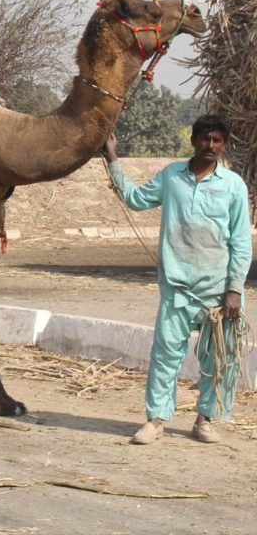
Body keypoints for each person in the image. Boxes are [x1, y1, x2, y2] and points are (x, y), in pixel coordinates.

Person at [102, 114, 252, 445]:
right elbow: (136, 199)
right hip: (177, 289)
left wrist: (234, 290)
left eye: (216, 140)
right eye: (204, 138)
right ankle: (156, 421)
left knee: (219, 360)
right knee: (165, 357)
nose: (210, 145)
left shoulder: (233, 186)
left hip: (218, 294)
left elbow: (241, 243)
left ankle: (205, 419)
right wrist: (112, 158)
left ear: (224, 145)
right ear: (193, 140)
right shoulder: (171, 176)